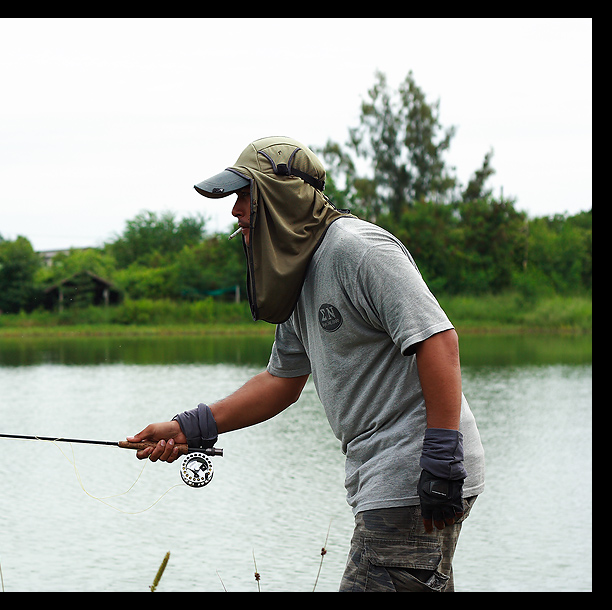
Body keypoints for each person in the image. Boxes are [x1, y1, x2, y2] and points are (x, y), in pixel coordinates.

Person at [127, 136, 485, 592]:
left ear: (282, 197)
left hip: (415, 472)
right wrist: (188, 428)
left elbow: (438, 340)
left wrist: (439, 457)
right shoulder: (296, 272)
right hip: (389, 477)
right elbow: (282, 381)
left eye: (244, 196)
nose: (235, 212)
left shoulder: (357, 249)